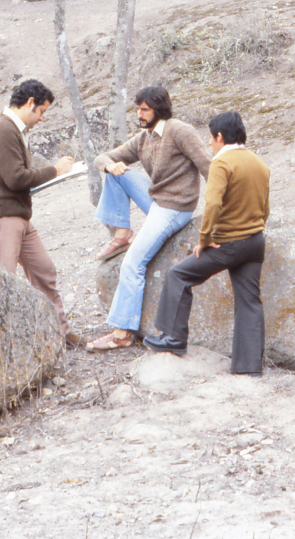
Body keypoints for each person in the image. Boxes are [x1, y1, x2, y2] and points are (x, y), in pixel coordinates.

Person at [143, 111, 270, 376]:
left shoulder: (221, 164)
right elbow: (264, 207)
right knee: (249, 301)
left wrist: (204, 240)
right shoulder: (258, 163)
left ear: (220, 137)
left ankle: (173, 338)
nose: (210, 144)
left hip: (227, 245)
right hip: (255, 242)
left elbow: (213, 204)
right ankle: (249, 368)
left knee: (178, 275)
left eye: (211, 139)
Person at [87, 86, 212, 352]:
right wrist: (109, 165)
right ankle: (121, 234)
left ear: (160, 109)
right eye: (137, 109)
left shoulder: (180, 130)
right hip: (155, 200)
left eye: (145, 109)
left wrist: (223, 211)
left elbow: (209, 168)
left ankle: (122, 334)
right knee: (115, 172)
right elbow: (102, 157)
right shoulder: (144, 138)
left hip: (175, 208)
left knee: (132, 264)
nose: (139, 114)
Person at [0, 79, 85, 347]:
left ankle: (58, 331)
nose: (43, 118)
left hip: (18, 216)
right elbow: (16, 179)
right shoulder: (1, 129)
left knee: (44, 271)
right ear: (30, 103)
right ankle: (0, 347)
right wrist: (55, 171)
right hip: (2, 217)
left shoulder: (13, 128)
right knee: (3, 281)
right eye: (42, 111)